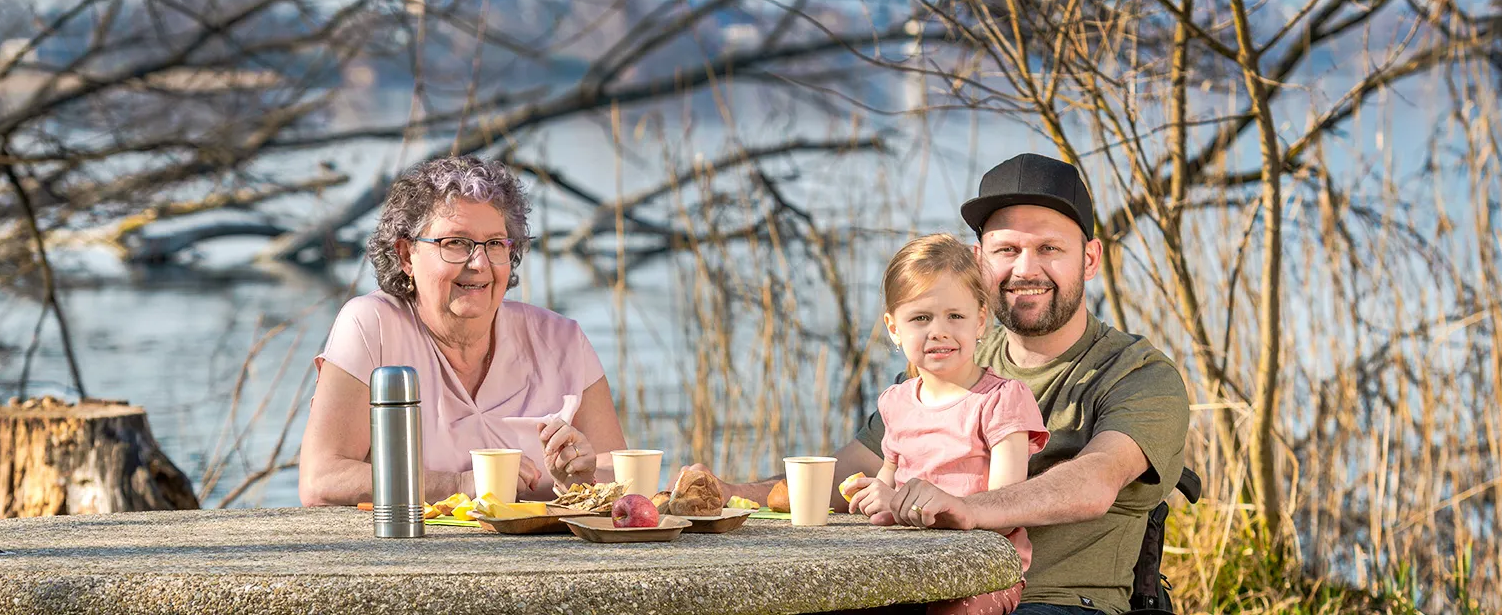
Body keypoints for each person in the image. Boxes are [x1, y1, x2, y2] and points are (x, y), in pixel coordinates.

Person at [686, 153, 1191, 615]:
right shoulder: (952, 356)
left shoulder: (1138, 374)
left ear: (1090, 258)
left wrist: (966, 509)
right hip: (922, 587)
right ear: (980, 262)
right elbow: (851, 471)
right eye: (1007, 249)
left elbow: (1096, 481)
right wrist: (732, 495)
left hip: (1057, 603)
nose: (1025, 268)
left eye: (1049, 248)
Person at [298, 155, 627, 506]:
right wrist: (460, 484)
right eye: (456, 243)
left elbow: (623, 480)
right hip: (407, 557)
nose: (480, 264)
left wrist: (584, 479)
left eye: (496, 244)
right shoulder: (371, 326)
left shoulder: (563, 340)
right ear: (407, 255)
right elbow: (321, 479)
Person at [846, 233, 1049, 615]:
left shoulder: (1001, 401)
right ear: (893, 328)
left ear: (981, 321)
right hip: (907, 569)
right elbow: (890, 481)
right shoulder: (897, 401)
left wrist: (897, 508)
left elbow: (1005, 510)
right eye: (920, 318)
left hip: (983, 575)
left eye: (955, 316)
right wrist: (875, 495)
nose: (938, 330)